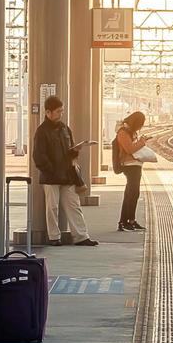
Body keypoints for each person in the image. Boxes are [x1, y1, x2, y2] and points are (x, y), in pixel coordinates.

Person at [32, 95, 98, 247]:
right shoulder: (41, 132)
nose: (61, 114)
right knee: (52, 207)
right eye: (58, 111)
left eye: (62, 111)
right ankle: (54, 237)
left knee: (73, 205)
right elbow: (39, 156)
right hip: (50, 176)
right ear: (48, 112)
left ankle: (81, 236)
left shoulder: (64, 128)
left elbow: (70, 150)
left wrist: (76, 150)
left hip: (67, 175)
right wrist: (50, 169)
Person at [113, 111, 149, 232]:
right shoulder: (123, 133)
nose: (140, 127)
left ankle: (129, 220)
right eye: (140, 124)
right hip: (129, 165)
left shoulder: (129, 132)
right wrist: (141, 142)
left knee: (132, 193)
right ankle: (125, 222)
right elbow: (129, 149)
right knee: (132, 194)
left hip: (135, 165)